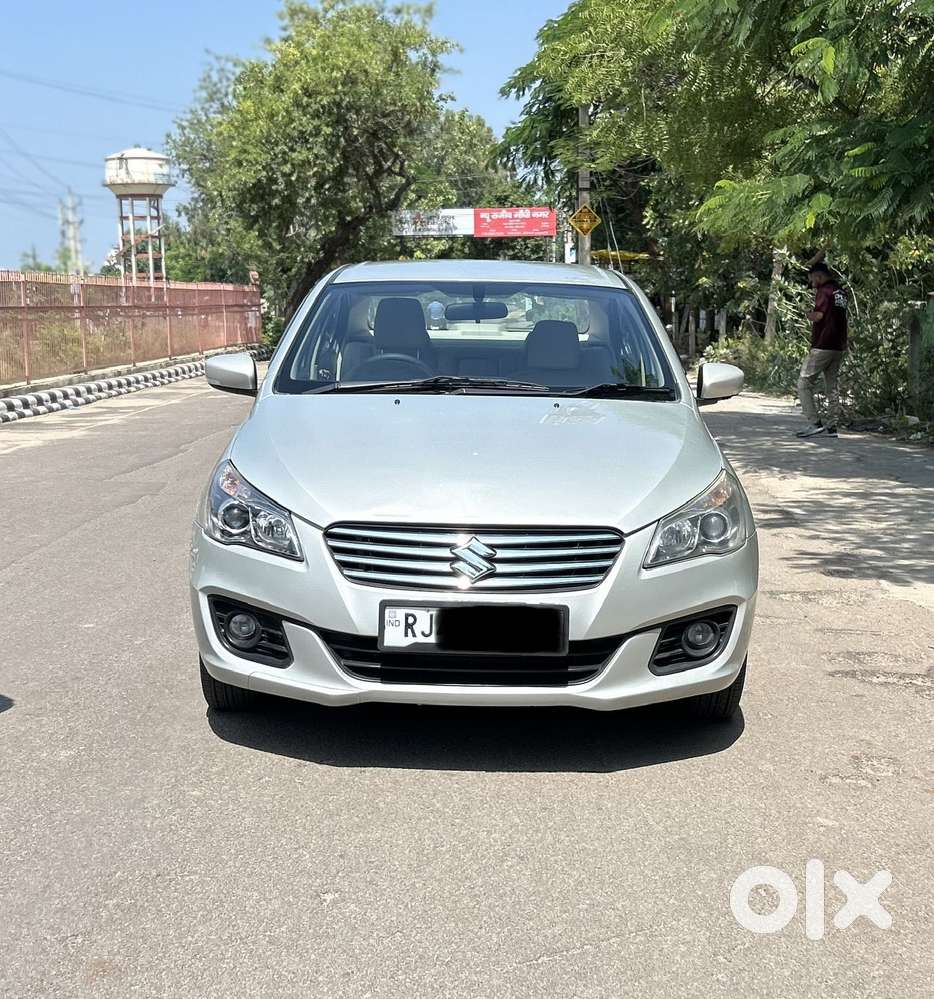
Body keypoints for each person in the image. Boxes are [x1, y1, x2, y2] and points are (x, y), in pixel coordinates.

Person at [796, 261, 848, 438]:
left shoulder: (824, 291)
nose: (812, 284)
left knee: (804, 383)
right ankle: (833, 427)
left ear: (818, 276)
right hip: (839, 346)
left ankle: (814, 423)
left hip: (823, 345)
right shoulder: (840, 291)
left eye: (812, 280)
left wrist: (807, 314)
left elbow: (819, 316)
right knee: (832, 386)